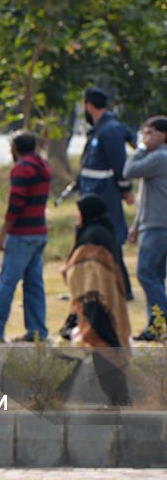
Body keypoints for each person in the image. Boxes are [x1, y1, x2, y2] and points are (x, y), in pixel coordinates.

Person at [63, 194, 132, 406]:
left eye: (79, 212)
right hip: (100, 301)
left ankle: (120, 400)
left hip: (95, 302)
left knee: (98, 344)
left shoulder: (93, 235)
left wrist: (68, 271)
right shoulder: (102, 231)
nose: (76, 216)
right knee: (87, 344)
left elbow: (86, 270)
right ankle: (119, 399)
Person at [0, 131, 51, 343]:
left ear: (16, 148)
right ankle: (37, 330)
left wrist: (3, 233)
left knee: (7, 282)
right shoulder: (43, 166)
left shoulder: (22, 169)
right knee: (34, 284)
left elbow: (15, 204)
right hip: (39, 231)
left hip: (22, 233)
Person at [79, 87, 135, 299]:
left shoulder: (109, 130)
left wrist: (125, 190)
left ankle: (123, 289)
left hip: (105, 196)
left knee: (110, 240)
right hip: (93, 194)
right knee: (95, 241)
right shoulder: (98, 129)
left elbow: (119, 166)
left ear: (88, 105)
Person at [124, 116, 167, 341]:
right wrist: (135, 224)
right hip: (152, 222)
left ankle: (162, 316)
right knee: (156, 278)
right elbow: (147, 195)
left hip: (158, 226)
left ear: (163, 135)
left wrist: (140, 147)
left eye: (149, 133)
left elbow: (128, 170)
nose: (144, 138)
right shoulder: (158, 159)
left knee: (145, 273)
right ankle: (155, 327)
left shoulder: (159, 157)